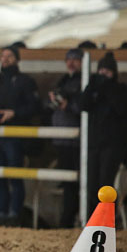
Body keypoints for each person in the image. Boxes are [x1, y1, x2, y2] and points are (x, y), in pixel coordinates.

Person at [0, 46, 40, 226]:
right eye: (2, 56)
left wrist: (14, 113)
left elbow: (35, 107)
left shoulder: (24, 81)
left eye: (9, 56)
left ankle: (14, 215)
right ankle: (2, 215)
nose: (5, 59)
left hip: (15, 136)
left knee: (14, 177)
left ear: (17, 59)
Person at [80, 52, 127, 217]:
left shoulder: (121, 90)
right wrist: (92, 86)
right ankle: (92, 219)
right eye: (101, 70)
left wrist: (107, 86)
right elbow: (83, 105)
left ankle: (107, 219)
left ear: (114, 73)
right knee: (92, 184)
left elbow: (121, 109)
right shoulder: (95, 90)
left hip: (113, 144)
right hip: (95, 142)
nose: (103, 74)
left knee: (106, 183)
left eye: (107, 71)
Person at [49, 48, 83, 227]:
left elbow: (83, 108)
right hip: (61, 139)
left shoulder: (85, 81)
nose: (71, 63)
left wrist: (68, 105)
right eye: (68, 59)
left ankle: (69, 220)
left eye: (75, 60)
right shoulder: (63, 80)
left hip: (76, 141)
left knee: (74, 182)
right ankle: (68, 218)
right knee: (68, 182)